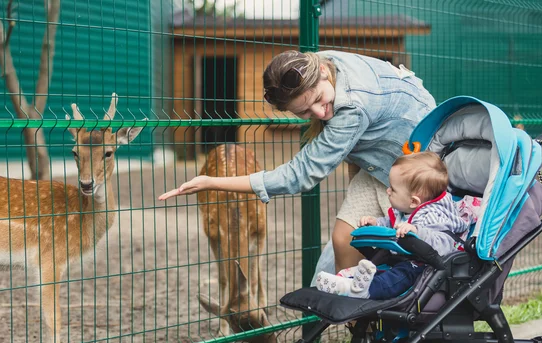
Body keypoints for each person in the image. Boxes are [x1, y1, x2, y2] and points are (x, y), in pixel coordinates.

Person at [159, 49, 436, 276]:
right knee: (344, 241)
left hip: (413, 171)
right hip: (380, 163)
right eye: (304, 111)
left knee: (406, 253)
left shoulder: (351, 106)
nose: (319, 113)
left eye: (317, 100)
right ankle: (355, 325)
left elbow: (299, 175)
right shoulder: (316, 63)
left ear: (324, 74)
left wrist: (211, 182)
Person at [316, 152, 469, 299]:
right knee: (380, 269)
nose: (388, 191)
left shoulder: (435, 215)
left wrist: (417, 231)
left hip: (424, 268)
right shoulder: (406, 211)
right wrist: (376, 222)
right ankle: (346, 282)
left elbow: (444, 243)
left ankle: (364, 291)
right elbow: (392, 224)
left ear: (414, 201)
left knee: (397, 277)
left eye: (393, 189)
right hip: (400, 260)